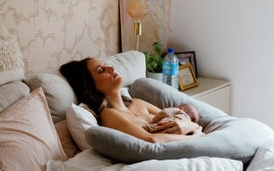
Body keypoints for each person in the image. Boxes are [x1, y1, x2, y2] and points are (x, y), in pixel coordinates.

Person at [59, 58, 204, 143]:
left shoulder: (138, 103)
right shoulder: (109, 115)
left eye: (105, 65)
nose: (110, 67)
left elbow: (177, 116)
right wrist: (195, 134)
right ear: (89, 86)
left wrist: (189, 127)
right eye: (100, 70)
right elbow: (151, 141)